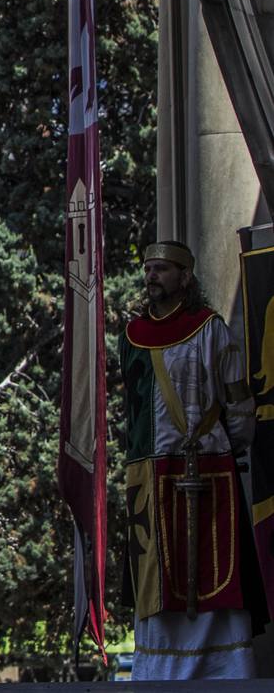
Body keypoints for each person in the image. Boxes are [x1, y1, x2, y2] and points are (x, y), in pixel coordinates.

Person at [121, 240, 264, 679]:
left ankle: (223, 668)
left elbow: (238, 402)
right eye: (148, 269)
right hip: (149, 470)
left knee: (212, 568)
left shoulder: (210, 329)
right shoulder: (133, 337)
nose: (151, 277)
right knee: (157, 578)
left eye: (161, 269)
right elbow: (133, 408)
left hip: (208, 466)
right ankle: (160, 671)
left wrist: (229, 444)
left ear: (185, 277)